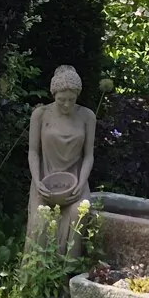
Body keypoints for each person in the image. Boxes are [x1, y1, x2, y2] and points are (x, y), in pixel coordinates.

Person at [25, 65, 95, 258]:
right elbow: (33, 152)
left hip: (76, 182)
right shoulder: (40, 115)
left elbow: (89, 155)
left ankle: (68, 277)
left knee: (78, 214)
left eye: (71, 100)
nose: (66, 105)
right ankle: (38, 279)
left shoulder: (87, 116)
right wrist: (38, 181)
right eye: (61, 100)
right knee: (42, 220)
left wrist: (81, 182)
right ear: (53, 95)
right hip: (44, 181)